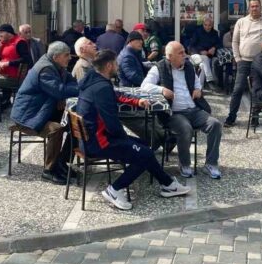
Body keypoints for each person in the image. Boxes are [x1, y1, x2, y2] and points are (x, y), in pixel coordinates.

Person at [77, 50, 191, 210]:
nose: (118, 66)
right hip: (98, 143)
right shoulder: (101, 88)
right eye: (116, 63)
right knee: (144, 154)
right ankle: (114, 190)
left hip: (90, 139)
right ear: (109, 65)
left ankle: (168, 184)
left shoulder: (93, 80)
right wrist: (125, 141)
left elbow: (114, 95)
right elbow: (112, 123)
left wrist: (137, 101)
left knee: (145, 147)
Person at [141, 41, 223, 180]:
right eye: (181, 53)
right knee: (185, 128)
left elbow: (197, 84)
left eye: (184, 51)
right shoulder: (159, 68)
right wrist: (162, 89)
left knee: (215, 124)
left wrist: (198, 90)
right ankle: (184, 164)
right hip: (174, 113)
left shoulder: (189, 66)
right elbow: (144, 86)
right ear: (169, 56)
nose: (185, 55)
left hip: (194, 110)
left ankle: (211, 163)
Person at [10, 42, 78, 184]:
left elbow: (71, 83)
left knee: (76, 124)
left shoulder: (57, 66)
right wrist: (80, 88)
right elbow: (60, 90)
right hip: (28, 115)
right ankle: (49, 170)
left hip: (43, 110)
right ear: (56, 56)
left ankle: (61, 162)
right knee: (56, 130)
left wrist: (78, 86)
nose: (70, 58)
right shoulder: (45, 69)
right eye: (66, 55)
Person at [225, 0, 262, 127]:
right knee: (237, 90)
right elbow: (235, 41)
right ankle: (231, 117)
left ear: (261, 7)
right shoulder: (241, 22)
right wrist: (237, 58)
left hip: (260, 62)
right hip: (244, 60)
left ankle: (255, 117)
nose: (254, 8)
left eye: (257, 6)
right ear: (249, 8)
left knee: (257, 90)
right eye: (252, 6)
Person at [0, 24, 32, 107]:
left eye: (1, 32)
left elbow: (26, 59)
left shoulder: (20, 42)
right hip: (3, 75)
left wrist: (8, 63)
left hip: (14, 78)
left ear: (9, 33)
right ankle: (1, 101)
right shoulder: (4, 43)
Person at [188, 17, 222, 86]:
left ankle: (200, 87)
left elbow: (220, 44)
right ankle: (209, 79)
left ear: (212, 25)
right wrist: (200, 51)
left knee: (202, 65)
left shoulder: (214, 33)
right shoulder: (197, 32)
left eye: (209, 25)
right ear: (203, 25)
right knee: (205, 58)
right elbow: (191, 46)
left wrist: (214, 48)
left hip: (208, 57)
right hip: (196, 55)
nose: (207, 27)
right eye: (205, 25)